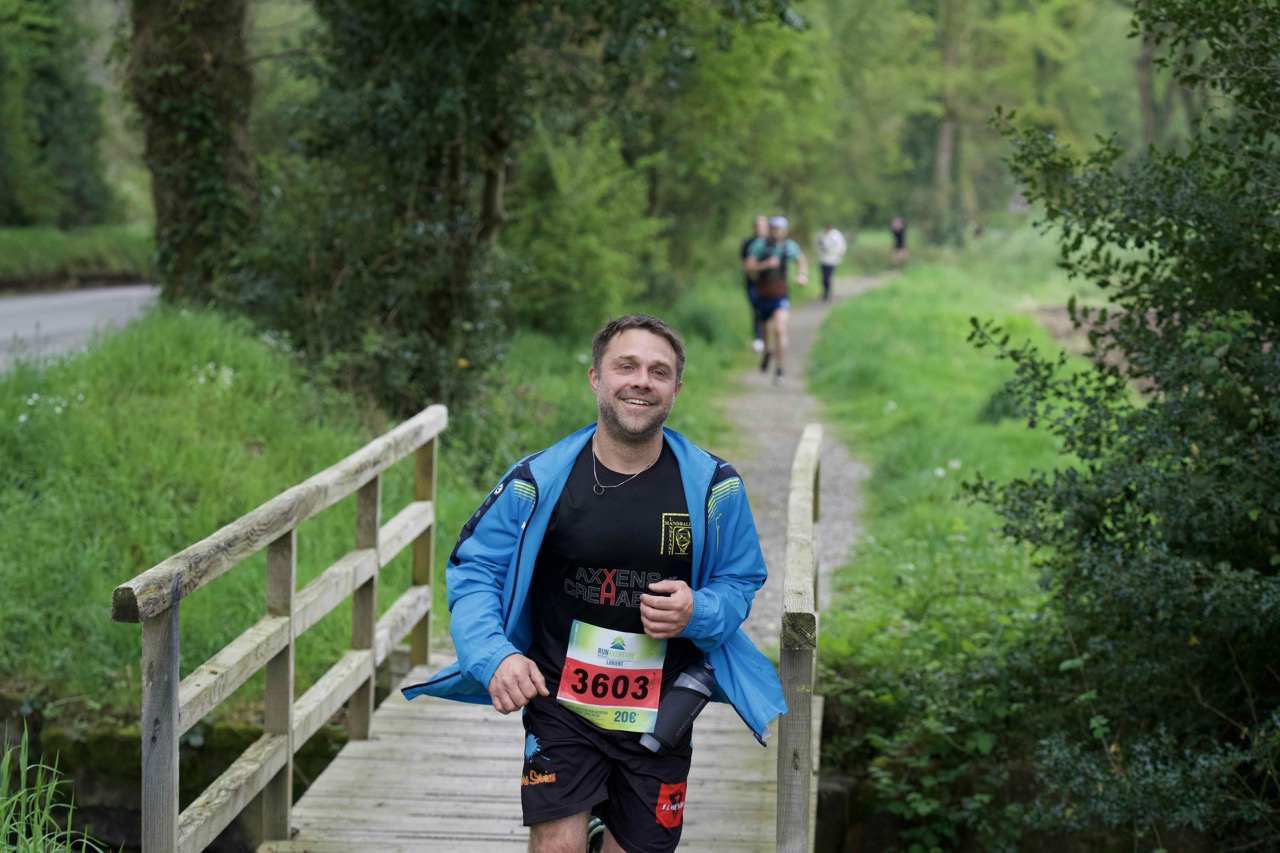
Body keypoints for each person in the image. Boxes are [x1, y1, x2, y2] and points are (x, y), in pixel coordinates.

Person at [403, 313, 786, 853]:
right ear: (595, 378)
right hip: (560, 699)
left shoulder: (713, 486)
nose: (641, 381)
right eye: (626, 366)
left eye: (659, 371)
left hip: (664, 707)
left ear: (676, 388)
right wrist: (493, 656)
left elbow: (739, 578)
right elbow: (476, 571)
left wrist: (697, 610)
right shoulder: (537, 480)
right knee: (556, 846)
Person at [742, 215, 808, 383]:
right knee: (765, 330)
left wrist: (801, 274)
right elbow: (748, 267)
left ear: (785, 230)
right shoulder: (759, 246)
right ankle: (767, 351)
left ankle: (779, 368)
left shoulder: (789, 247)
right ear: (770, 230)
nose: (777, 232)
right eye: (774, 228)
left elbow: (801, 259)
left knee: (779, 329)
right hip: (763, 294)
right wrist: (766, 264)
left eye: (780, 229)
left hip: (780, 295)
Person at [740, 215, 768, 352]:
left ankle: (766, 336)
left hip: (768, 283)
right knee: (756, 308)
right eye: (757, 225)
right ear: (753, 227)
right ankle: (758, 337)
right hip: (752, 282)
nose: (759, 228)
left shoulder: (771, 242)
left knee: (767, 310)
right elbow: (745, 264)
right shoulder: (747, 244)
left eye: (762, 225)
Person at [813, 221, 848, 302]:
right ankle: (825, 290)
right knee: (823, 277)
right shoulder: (820, 235)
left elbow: (841, 245)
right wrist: (819, 252)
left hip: (833, 259)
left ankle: (827, 292)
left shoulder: (836, 235)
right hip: (823, 259)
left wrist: (840, 251)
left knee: (828, 276)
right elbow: (816, 245)